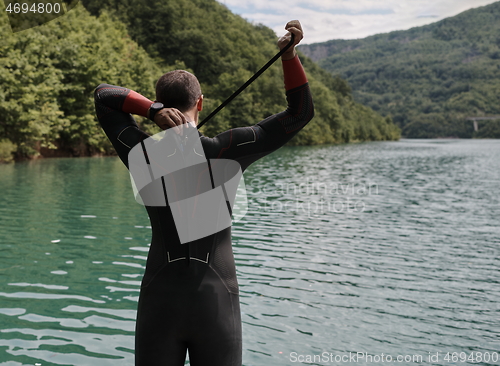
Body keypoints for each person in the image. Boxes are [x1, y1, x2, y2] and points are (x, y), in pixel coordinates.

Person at [94, 20, 313, 366]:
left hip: (159, 299)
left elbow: (104, 97)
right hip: (216, 302)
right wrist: (289, 56)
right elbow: (300, 113)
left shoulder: (142, 154)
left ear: (164, 104)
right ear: (201, 102)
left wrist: (151, 111)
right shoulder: (229, 149)